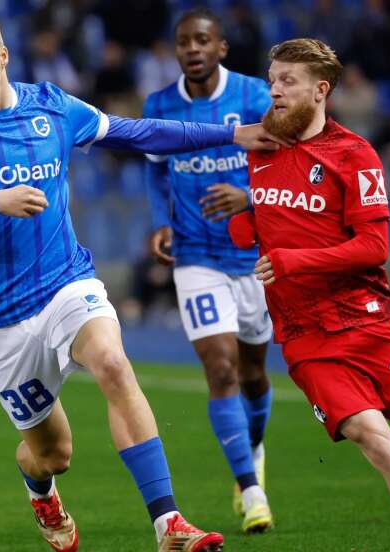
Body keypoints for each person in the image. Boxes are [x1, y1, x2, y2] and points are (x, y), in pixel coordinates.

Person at [0, 9, 277, 552]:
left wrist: (230, 133)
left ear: (3, 58)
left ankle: (168, 523)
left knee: (111, 360)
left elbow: (138, 132)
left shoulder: (53, 107)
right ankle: (41, 491)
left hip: (66, 284)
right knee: (53, 453)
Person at [228, 38, 390, 551]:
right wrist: (245, 220)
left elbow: (373, 247)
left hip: (368, 322)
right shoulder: (259, 148)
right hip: (306, 335)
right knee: (378, 443)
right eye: (272, 79)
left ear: (320, 90)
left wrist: (292, 259)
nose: (274, 90)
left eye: (287, 81)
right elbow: (274, 216)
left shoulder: (355, 155)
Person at [142, 8, 275, 534]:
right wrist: (161, 222)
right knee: (220, 370)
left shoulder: (254, 98)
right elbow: (154, 173)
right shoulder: (160, 106)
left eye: (202, 41)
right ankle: (251, 488)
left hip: (253, 257)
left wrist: (248, 197)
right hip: (195, 256)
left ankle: (255, 448)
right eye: (183, 42)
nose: (192, 49)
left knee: (254, 372)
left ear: (221, 47)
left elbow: (284, 163)